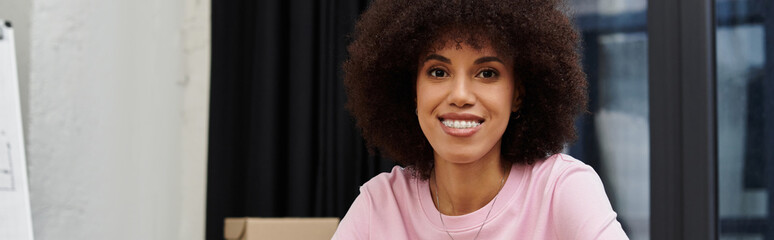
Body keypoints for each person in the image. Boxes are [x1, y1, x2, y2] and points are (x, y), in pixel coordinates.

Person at [333, 0, 629, 239]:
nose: (460, 95)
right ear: (413, 91)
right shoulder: (382, 205)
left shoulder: (560, 191)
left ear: (518, 94)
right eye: (438, 72)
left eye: (487, 73)